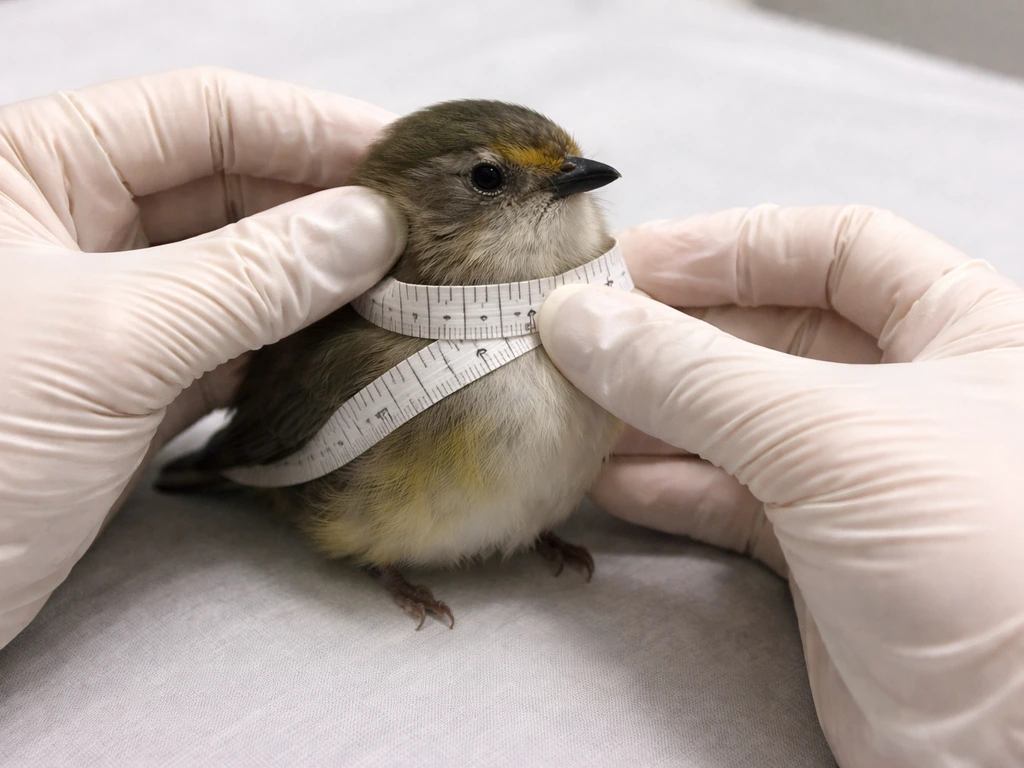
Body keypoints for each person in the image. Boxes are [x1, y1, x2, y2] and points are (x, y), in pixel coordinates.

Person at [0, 68, 1018, 766]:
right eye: (491, 182)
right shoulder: (363, 350)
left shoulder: (595, 287)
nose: (569, 189)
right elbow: (286, 452)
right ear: (418, 216)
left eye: (561, 171)